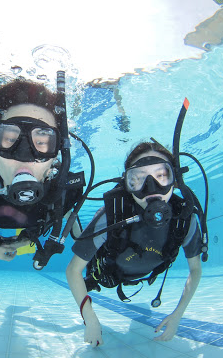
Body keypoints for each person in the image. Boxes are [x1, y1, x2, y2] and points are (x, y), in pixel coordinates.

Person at [66, 141, 203, 346]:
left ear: (175, 178)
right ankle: (71, 217)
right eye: (138, 179)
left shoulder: (184, 219)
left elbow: (196, 269)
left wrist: (177, 315)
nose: (151, 188)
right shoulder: (111, 217)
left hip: (145, 269)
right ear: (127, 184)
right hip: (106, 273)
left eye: (161, 175)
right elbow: (73, 270)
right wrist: (90, 319)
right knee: (89, 259)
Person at [0, 79, 84, 264]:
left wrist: (25, 240)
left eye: (42, 143)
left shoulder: (69, 189)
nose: (23, 157)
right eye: (10, 139)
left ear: (58, 150)